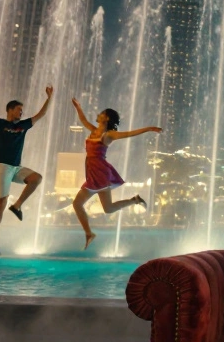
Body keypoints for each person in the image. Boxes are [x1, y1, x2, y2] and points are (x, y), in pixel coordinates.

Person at [0, 83, 53, 256]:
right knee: (1, 202)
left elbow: (41, 114)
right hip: (2, 167)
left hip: (15, 168)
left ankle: (18, 205)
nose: (21, 113)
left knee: (36, 178)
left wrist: (49, 98)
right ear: (10, 110)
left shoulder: (24, 125)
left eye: (22, 111)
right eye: (19, 110)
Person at [69, 97, 160, 249]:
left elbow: (129, 134)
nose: (99, 114)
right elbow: (83, 119)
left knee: (82, 204)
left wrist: (149, 128)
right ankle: (134, 201)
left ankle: (90, 233)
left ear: (107, 118)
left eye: (102, 113)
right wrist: (78, 107)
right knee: (104, 208)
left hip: (100, 173)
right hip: (92, 172)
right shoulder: (93, 130)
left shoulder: (109, 135)